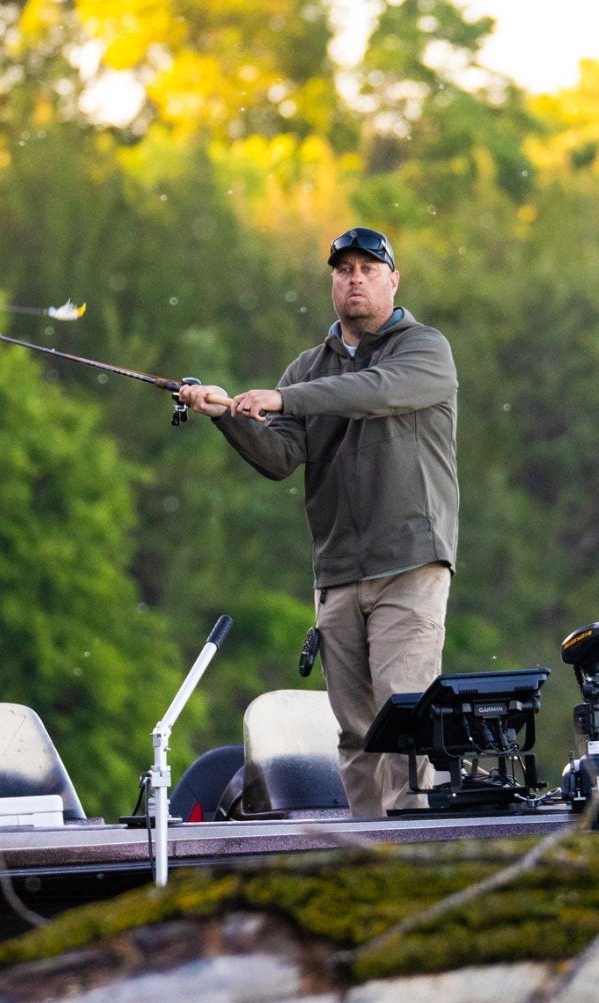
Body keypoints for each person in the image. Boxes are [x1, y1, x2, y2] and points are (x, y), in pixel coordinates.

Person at [176, 227, 457, 817]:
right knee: (356, 734)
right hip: (335, 574)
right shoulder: (307, 367)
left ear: (393, 279)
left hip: (409, 565)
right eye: (343, 270)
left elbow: (373, 392)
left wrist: (283, 399)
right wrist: (226, 413)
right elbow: (279, 458)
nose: (355, 278)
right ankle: (364, 857)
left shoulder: (425, 350)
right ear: (332, 282)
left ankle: (416, 856)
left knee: (407, 721)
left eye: (368, 268)